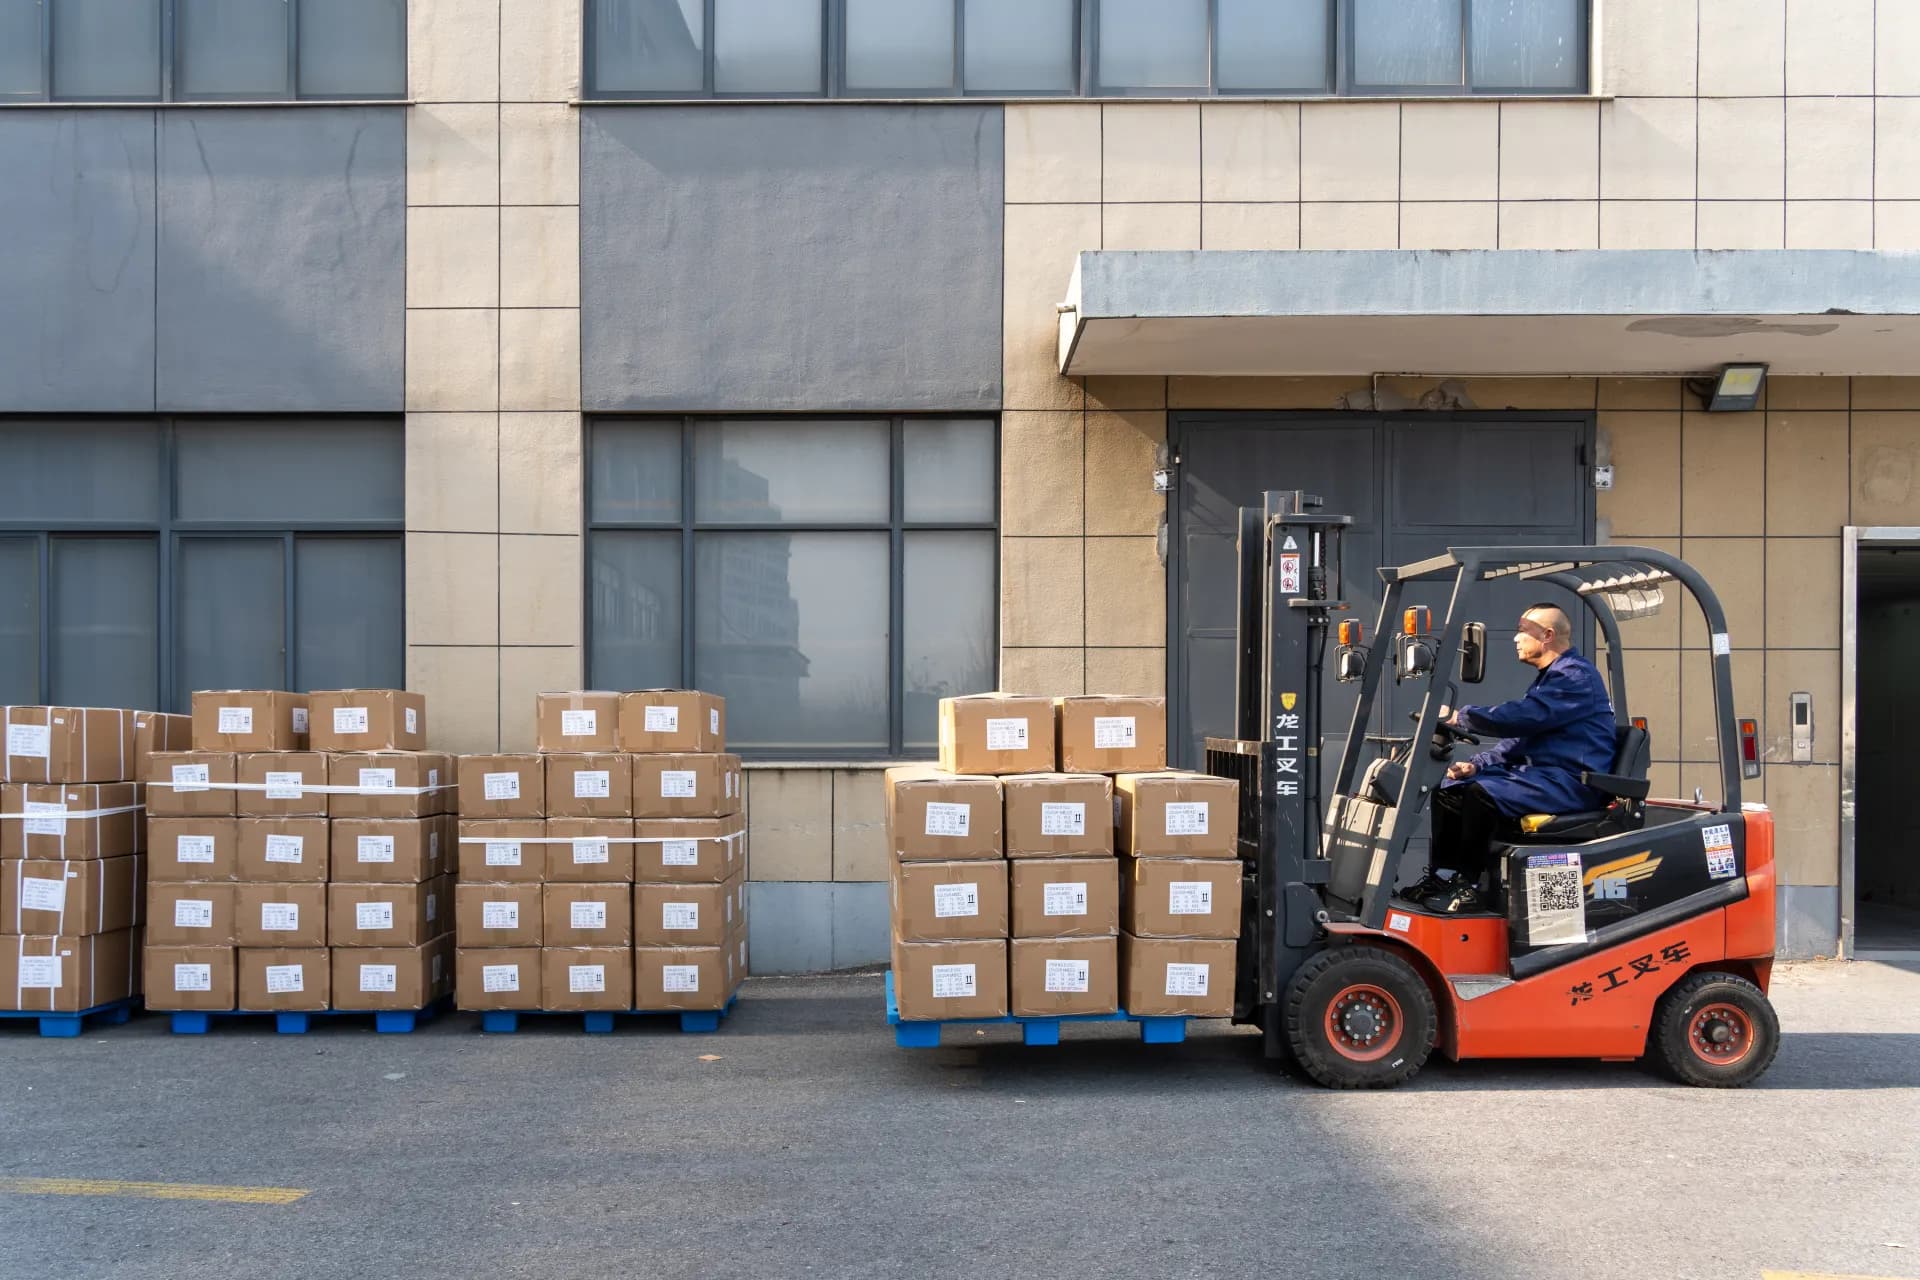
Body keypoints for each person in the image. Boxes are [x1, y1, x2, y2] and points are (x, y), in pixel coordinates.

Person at [1406, 603, 1617, 914]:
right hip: (1545, 778)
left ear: (1547, 635)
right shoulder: (1551, 678)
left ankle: (1471, 885)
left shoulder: (1575, 677)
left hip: (1572, 782)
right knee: (1451, 788)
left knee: (1483, 794)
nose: (1516, 638)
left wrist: (1460, 717)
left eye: (1522, 630)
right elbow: (1520, 739)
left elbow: (1524, 718)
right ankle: (1445, 877)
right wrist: (1477, 763)